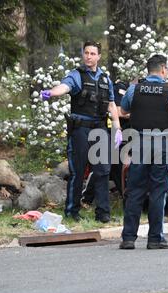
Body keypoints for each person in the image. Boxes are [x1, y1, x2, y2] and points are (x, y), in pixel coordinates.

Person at [41, 41, 122, 223]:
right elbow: (65, 87)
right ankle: (72, 212)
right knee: (77, 172)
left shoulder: (105, 79)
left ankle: (103, 214)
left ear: (99, 56)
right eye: (86, 53)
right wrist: (52, 93)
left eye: (93, 53)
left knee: (102, 171)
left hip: (100, 129)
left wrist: (117, 128)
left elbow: (111, 105)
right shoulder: (77, 75)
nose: (89, 56)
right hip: (80, 130)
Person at [118, 54, 168, 250]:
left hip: (140, 143)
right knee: (158, 192)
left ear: (148, 70)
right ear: (163, 70)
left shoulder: (134, 89)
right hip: (162, 145)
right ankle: (155, 238)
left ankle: (128, 238)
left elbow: (123, 112)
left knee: (135, 191)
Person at [81, 80, 129, 206]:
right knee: (103, 167)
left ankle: (126, 200)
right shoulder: (121, 88)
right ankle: (86, 198)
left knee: (115, 167)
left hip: (124, 135)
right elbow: (118, 111)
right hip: (111, 133)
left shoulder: (136, 90)